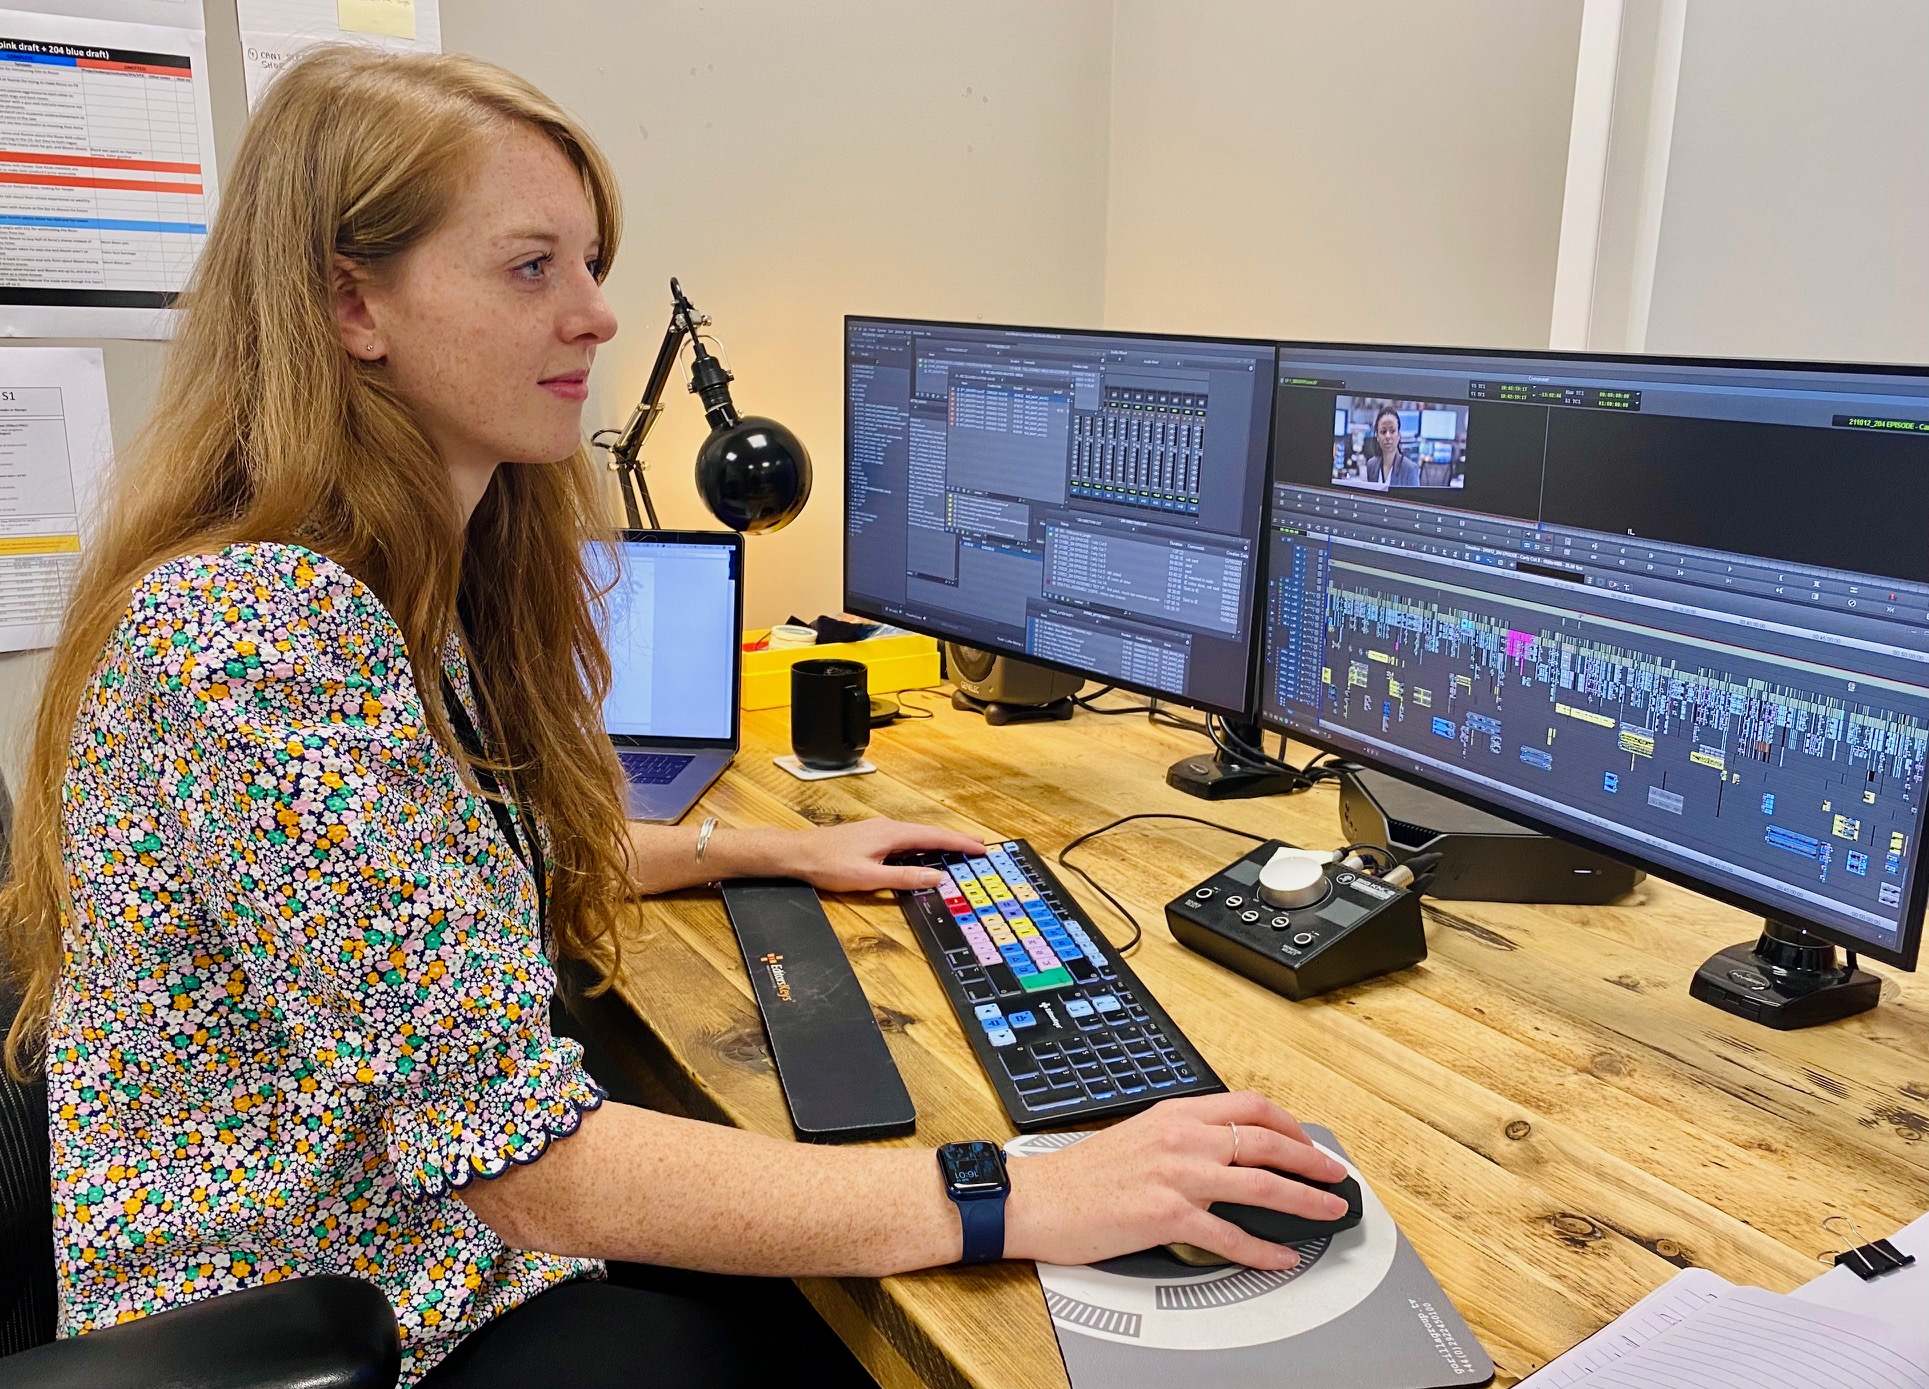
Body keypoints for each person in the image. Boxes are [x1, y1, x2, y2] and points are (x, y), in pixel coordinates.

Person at [0, 47, 1346, 1388]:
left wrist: (769, 852)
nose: (596, 317)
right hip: (334, 1308)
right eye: (534, 268)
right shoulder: (254, 632)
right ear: (355, 304)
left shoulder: (393, 585)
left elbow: (437, 877)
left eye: (592, 265)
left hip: (432, 1242)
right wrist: (1009, 1190)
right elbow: (524, 1165)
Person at [1365, 405, 1421, 488]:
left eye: (1392, 431)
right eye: (1383, 431)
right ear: (1377, 436)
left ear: (1398, 435)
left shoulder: (1410, 469)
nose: (1388, 436)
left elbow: (1415, 500)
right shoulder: (1371, 465)